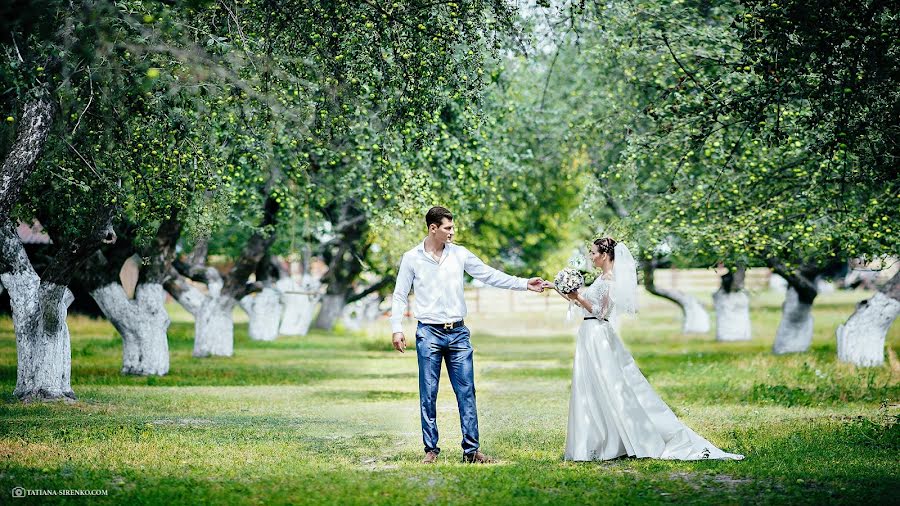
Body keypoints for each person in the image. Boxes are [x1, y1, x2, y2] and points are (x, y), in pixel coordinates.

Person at [558, 237, 744, 461]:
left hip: (598, 334)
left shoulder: (609, 279)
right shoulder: (600, 278)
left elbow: (600, 312)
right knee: (592, 384)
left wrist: (577, 295)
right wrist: (560, 289)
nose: (591, 256)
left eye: (593, 252)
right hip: (589, 333)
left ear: (605, 255)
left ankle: (625, 438)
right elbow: (583, 304)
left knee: (610, 384)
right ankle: (601, 441)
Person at [390, 206, 547, 464]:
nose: (452, 232)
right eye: (447, 228)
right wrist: (396, 328)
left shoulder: (460, 254)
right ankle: (431, 449)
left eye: (452, 227)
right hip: (428, 332)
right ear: (433, 228)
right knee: (428, 391)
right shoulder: (412, 258)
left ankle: (471, 451)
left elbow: (489, 275)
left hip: (458, 334)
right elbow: (399, 294)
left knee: (466, 391)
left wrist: (523, 283)